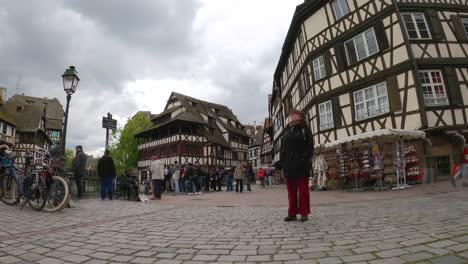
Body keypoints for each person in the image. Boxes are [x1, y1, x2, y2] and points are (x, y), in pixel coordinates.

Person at [281, 109, 313, 222]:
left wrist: (304, 157)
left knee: (303, 190)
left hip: (301, 164)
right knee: (291, 191)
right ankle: (292, 213)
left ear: (300, 116)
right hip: (289, 165)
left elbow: (310, 147)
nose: (291, 116)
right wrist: (283, 163)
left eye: (294, 114)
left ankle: (304, 213)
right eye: (290, 114)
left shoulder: (305, 129)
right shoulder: (287, 130)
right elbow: (283, 148)